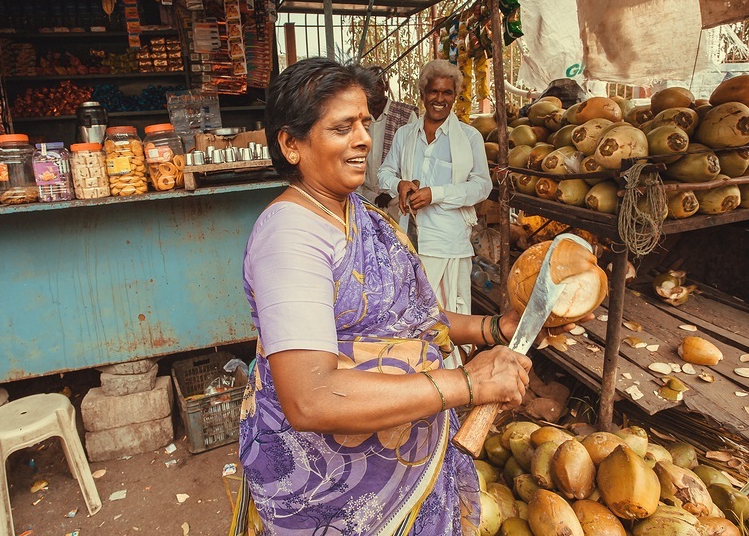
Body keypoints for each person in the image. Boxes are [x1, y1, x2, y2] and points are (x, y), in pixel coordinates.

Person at [230, 57, 542, 536]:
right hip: (336, 494)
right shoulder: (290, 236)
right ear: (291, 144)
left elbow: (406, 320)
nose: (362, 140)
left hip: (400, 466)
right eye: (342, 127)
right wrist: (466, 384)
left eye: (364, 123)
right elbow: (311, 398)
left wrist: (490, 328)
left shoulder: (356, 212)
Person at [378, 59, 492, 366]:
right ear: (422, 93)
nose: (439, 99)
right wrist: (399, 184)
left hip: (449, 242)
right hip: (410, 241)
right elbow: (383, 173)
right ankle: (418, 378)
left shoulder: (469, 138)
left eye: (447, 92)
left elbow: (482, 186)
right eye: (433, 91)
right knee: (412, 314)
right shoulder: (404, 135)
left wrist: (436, 193)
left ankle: (452, 383)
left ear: (455, 95)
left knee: (448, 313)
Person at [358, 65, 418, 217]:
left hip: (396, 199)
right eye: (369, 85)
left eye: (378, 83)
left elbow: (413, 160)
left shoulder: (406, 115)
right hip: (365, 196)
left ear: (385, 85)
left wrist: (390, 191)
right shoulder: (358, 117)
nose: (374, 88)